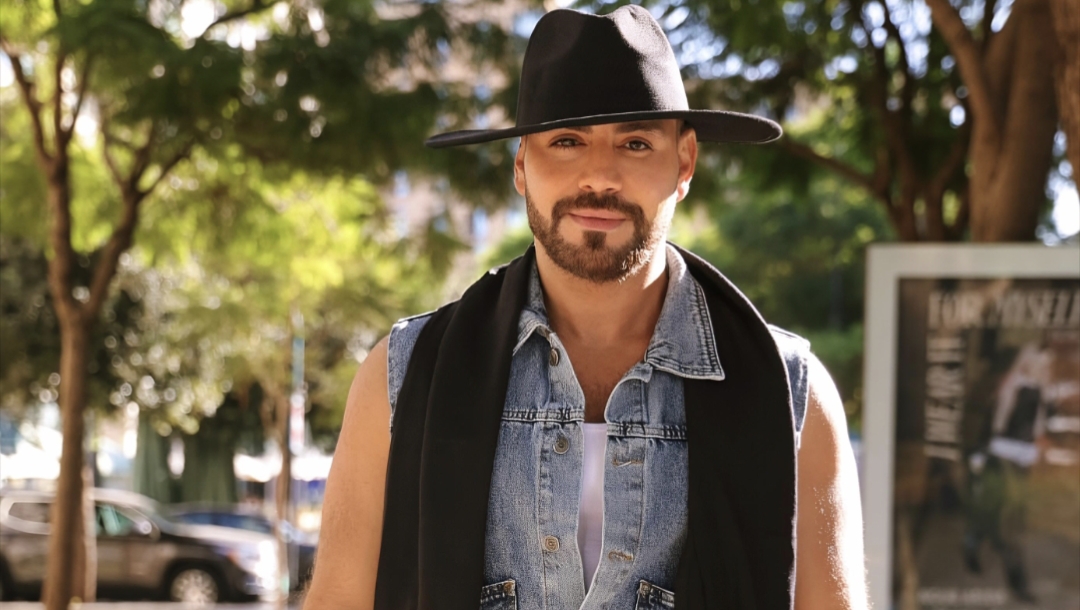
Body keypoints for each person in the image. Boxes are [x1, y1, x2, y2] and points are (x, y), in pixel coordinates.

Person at [304, 6, 866, 609]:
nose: (600, 176)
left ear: (684, 163)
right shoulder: (404, 375)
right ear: (522, 164)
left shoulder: (791, 391)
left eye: (635, 142)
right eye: (567, 141)